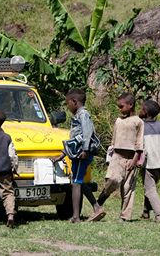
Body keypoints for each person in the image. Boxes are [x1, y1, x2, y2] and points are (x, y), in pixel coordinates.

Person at [53, 89, 105, 223]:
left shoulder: (83, 115)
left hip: (82, 153)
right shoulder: (78, 115)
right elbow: (75, 139)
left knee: (76, 183)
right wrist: (62, 155)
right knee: (79, 181)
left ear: (74, 102)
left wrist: (85, 150)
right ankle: (97, 207)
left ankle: (76, 216)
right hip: (77, 153)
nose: (68, 107)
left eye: (68, 104)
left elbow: (87, 133)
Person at [96, 92, 144, 221]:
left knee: (128, 188)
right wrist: (109, 157)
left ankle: (125, 216)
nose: (120, 109)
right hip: (117, 156)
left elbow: (139, 143)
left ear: (130, 105)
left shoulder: (138, 122)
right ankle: (101, 199)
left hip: (131, 158)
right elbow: (113, 141)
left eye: (121, 106)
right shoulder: (118, 121)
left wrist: (135, 160)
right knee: (112, 180)